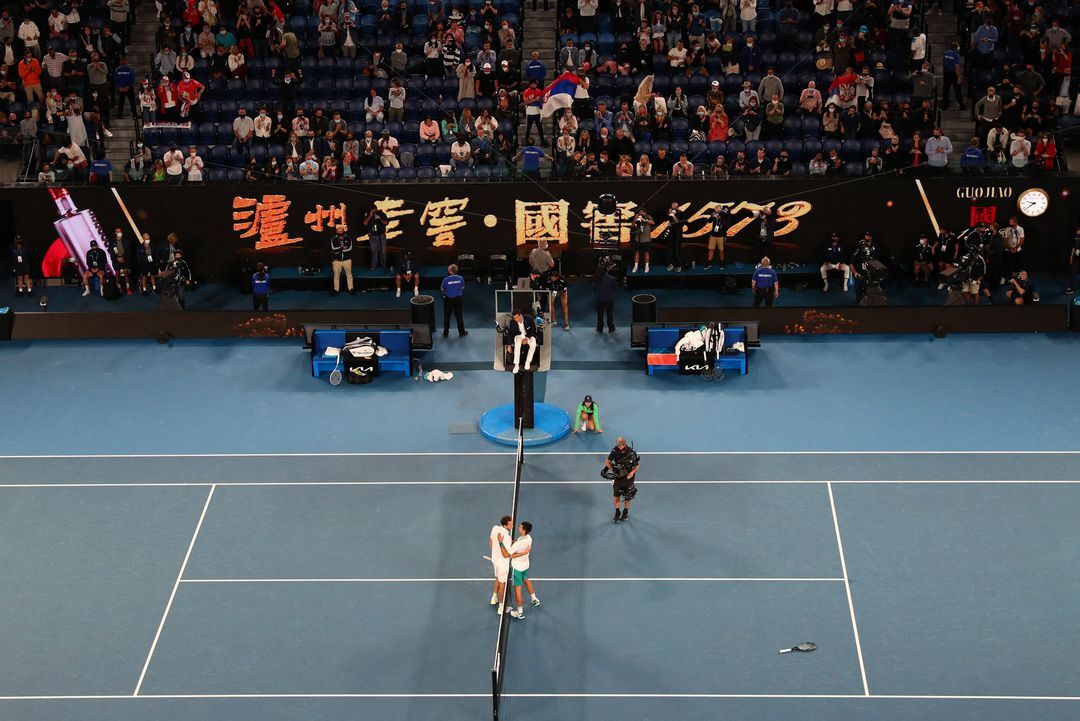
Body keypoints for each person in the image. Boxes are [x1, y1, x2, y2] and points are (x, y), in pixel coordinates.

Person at [502, 521, 539, 620]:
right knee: (526, 580)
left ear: (523, 530)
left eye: (520, 527)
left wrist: (501, 543)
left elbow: (506, 555)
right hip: (525, 565)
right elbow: (523, 548)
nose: (518, 528)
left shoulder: (518, 544)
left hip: (517, 568)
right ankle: (534, 599)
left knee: (518, 590)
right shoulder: (529, 538)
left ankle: (520, 612)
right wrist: (513, 543)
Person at [606, 437, 639, 523]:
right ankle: (617, 512)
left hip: (629, 478)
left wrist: (632, 473)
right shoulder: (615, 450)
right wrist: (614, 470)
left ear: (624, 444)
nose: (618, 447)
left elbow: (637, 466)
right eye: (618, 445)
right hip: (618, 477)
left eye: (620, 446)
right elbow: (607, 462)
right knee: (616, 496)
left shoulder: (631, 452)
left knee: (628, 496)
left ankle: (625, 512)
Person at [488, 515, 512, 613]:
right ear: (505, 525)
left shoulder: (495, 528)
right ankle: (501, 607)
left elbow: (490, 542)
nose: (512, 526)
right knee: (503, 584)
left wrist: (495, 553)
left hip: (495, 560)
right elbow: (506, 554)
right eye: (510, 524)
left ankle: (494, 598)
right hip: (503, 564)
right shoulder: (507, 537)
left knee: (497, 578)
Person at [504, 308, 536, 374]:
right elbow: (510, 333)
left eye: (517, 317)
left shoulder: (529, 319)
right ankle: (516, 365)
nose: (516, 319)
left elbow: (533, 330)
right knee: (517, 343)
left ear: (520, 315)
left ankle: (528, 362)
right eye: (514, 318)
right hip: (519, 336)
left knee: (533, 344)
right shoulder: (512, 322)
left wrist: (527, 338)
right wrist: (509, 345)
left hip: (528, 335)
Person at [441, 263, 467, 337]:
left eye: (449, 269)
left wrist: (449, 289)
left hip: (448, 300)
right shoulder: (461, 278)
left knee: (447, 316)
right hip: (458, 299)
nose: (448, 270)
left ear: (451, 271)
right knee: (459, 316)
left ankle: (446, 333)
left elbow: (442, 289)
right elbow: (462, 287)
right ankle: (462, 332)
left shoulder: (445, 280)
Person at [329, 225, 355, 296]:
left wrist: (339, 250)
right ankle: (336, 290)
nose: (340, 231)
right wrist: (342, 248)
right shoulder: (333, 239)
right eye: (338, 230)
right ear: (336, 231)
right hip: (336, 261)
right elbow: (333, 248)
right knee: (336, 276)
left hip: (347, 260)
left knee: (349, 275)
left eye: (341, 230)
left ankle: (351, 289)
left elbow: (349, 248)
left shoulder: (348, 238)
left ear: (343, 230)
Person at [592, 264, 617, 333]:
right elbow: (615, 288)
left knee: (600, 314)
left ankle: (600, 328)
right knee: (610, 314)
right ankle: (611, 328)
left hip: (599, 299)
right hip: (609, 299)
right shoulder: (612, 278)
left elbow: (593, 288)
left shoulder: (596, 279)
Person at [364, 204, 388, 270]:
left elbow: (386, 223)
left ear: (376, 209)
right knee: (374, 252)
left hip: (381, 235)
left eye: (374, 210)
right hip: (372, 236)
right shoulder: (368, 214)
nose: (373, 211)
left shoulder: (382, 214)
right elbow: (365, 223)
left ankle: (384, 266)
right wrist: (370, 216)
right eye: (371, 210)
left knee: (383, 252)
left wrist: (380, 219)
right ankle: (373, 266)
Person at [631, 208, 653, 273]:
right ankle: (636, 266)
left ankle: (647, 266)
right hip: (638, 238)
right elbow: (632, 225)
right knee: (636, 252)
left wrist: (644, 220)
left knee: (646, 252)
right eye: (640, 212)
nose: (641, 214)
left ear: (645, 212)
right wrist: (635, 218)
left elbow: (653, 222)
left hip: (646, 239)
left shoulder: (648, 216)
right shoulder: (637, 216)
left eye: (642, 212)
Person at [664, 202, 683, 272]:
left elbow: (680, 223)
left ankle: (679, 265)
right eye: (672, 206)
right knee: (670, 250)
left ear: (678, 206)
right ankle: (671, 264)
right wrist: (669, 214)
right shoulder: (670, 213)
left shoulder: (681, 213)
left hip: (678, 233)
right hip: (671, 233)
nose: (673, 207)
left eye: (675, 206)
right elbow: (668, 220)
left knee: (677, 250)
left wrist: (674, 217)